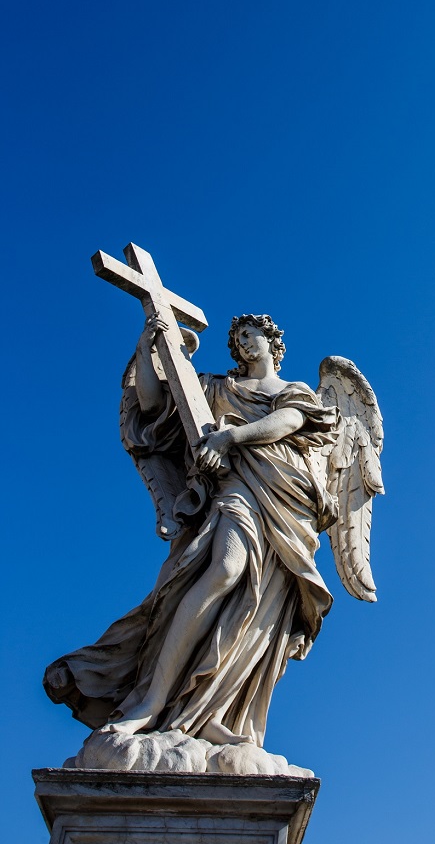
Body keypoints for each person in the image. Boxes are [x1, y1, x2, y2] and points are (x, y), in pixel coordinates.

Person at [45, 313, 339, 747]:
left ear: (273, 341)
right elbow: (153, 405)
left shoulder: (293, 391)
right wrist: (150, 343)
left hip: (289, 501)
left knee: (258, 607)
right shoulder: (216, 388)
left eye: (250, 334)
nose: (242, 342)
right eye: (237, 337)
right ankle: (150, 701)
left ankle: (210, 710)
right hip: (238, 488)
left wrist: (229, 438)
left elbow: (289, 423)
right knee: (225, 570)